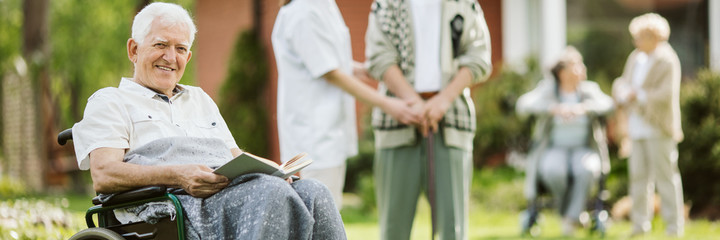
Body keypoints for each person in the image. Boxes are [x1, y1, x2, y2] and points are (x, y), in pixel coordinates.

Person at [71, 2, 346, 239]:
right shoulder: (109, 101)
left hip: (228, 194)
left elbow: (233, 155)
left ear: (188, 57)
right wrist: (178, 174)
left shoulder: (200, 99)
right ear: (133, 49)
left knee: (314, 191)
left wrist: (275, 169)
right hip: (169, 210)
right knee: (269, 193)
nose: (170, 57)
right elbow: (105, 174)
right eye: (160, 45)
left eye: (180, 49)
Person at [271, 0, 421, 209]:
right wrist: (388, 104)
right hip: (315, 136)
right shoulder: (303, 11)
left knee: (329, 212)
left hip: (330, 131)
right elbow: (330, 73)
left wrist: (367, 69)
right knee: (321, 217)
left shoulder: (324, 5)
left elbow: (327, 58)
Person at [365, 0, 492, 239]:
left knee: (452, 227)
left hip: (452, 121)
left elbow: (479, 56)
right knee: (393, 229)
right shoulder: (386, 4)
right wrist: (416, 104)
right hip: (396, 122)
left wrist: (442, 101)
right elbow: (380, 57)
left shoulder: (463, 4)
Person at [516, 46, 614, 236]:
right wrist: (552, 108)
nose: (582, 68)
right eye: (577, 65)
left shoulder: (589, 90)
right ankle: (573, 215)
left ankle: (570, 219)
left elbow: (609, 104)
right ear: (562, 72)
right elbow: (523, 105)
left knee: (587, 170)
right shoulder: (548, 90)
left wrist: (584, 108)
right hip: (554, 149)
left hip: (584, 149)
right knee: (554, 172)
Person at [612, 13, 685, 237]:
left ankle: (674, 227)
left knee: (666, 177)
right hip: (637, 128)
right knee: (638, 178)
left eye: (640, 37)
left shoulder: (667, 59)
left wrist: (638, 95)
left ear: (654, 36)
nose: (636, 42)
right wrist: (623, 93)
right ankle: (639, 225)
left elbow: (665, 94)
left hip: (659, 127)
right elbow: (623, 82)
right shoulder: (636, 57)